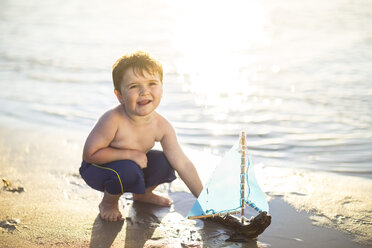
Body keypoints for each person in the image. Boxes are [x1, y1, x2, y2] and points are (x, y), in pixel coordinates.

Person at [79, 51, 203, 222]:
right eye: (134, 86)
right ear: (119, 95)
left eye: (152, 83)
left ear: (162, 88)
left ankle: (143, 194)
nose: (144, 92)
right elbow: (90, 155)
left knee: (166, 160)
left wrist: (203, 198)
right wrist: (130, 154)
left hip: (131, 167)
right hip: (98, 169)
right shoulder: (113, 119)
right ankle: (108, 202)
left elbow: (182, 162)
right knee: (127, 169)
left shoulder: (162, 125)